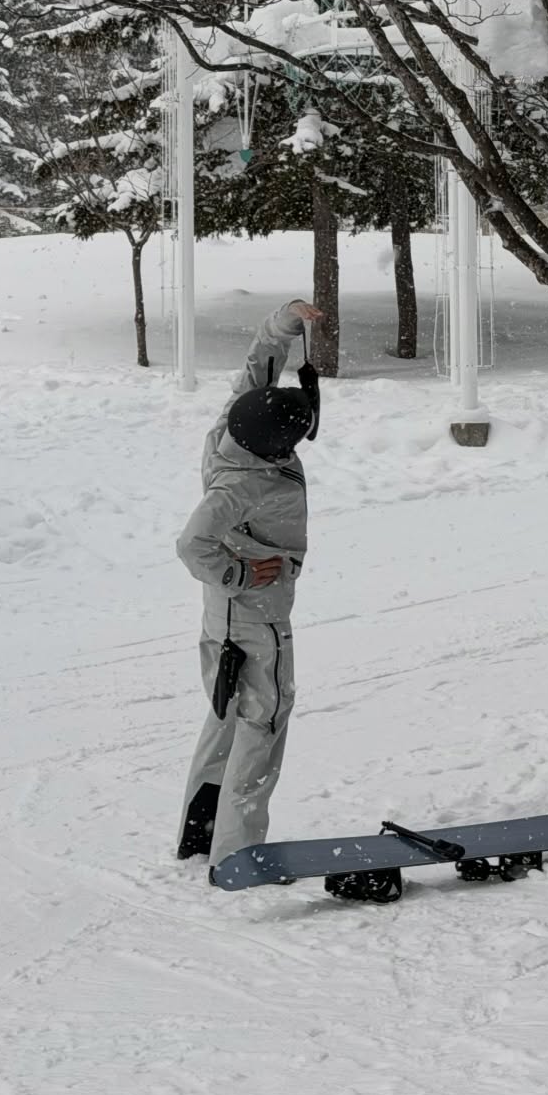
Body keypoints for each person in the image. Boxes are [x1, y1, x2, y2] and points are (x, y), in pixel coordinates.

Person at [175, 300, 322, 872]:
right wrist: (237, 572)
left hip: (226, 615)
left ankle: (200, 835)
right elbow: (192, 544)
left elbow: (257, 368)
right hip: (255, 615)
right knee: (263, 720)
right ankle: (238, 851)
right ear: (275, 447)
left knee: (225, 717)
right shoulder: (241, 486)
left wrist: (285, 323)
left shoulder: (230, 431)